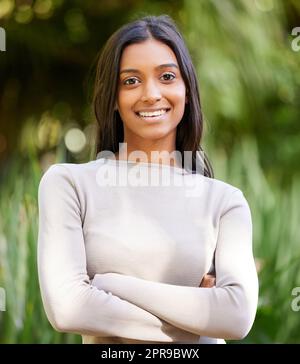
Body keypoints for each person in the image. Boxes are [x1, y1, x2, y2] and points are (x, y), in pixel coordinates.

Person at [37, 14, 258, 344]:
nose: (151, 93)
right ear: (112, 97)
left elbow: (237, 316)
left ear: (186, 90)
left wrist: (110, 284)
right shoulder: (69, 185)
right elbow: (67, 308)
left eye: (167, 76)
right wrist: (199, 321)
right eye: (130, 81)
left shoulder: (224, 202)